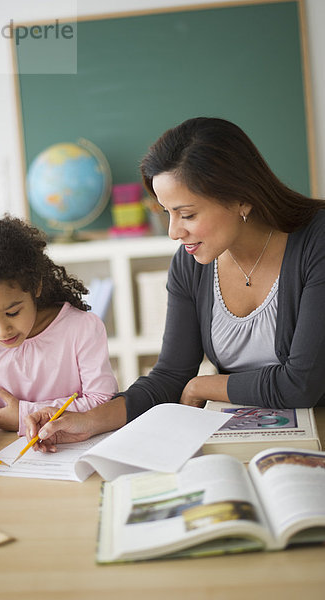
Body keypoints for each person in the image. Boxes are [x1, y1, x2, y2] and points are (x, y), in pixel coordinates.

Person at [24, 116, 325, 454]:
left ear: (242, 198)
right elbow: (170, 375)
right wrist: (89, 421)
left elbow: (301, 384)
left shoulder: (316, 242)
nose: (173, 231)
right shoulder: (191, 263)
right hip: (250, 438)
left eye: (188, 214)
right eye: (166, 212)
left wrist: (203, 386)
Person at [0, 216, 118, 471]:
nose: (1, 330)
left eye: (12, 313)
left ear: (36, 286)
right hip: (9, 460)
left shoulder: (82, 328)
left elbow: (102, 401)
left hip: (78, 454)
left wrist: (22, 415)